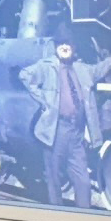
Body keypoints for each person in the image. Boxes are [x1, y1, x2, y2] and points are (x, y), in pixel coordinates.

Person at [32, 39, 97, 206]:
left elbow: (100, 69)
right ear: (56, 47)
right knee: (54, 181)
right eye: (61, 43)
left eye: (69, 43)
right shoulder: (46, 66)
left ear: (74, 47)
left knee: (83, 182)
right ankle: (58, 220)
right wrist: (44, 100)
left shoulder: (81, 68)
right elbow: (25, 76)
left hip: (76, 133)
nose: (65, 46)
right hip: (55, 131)